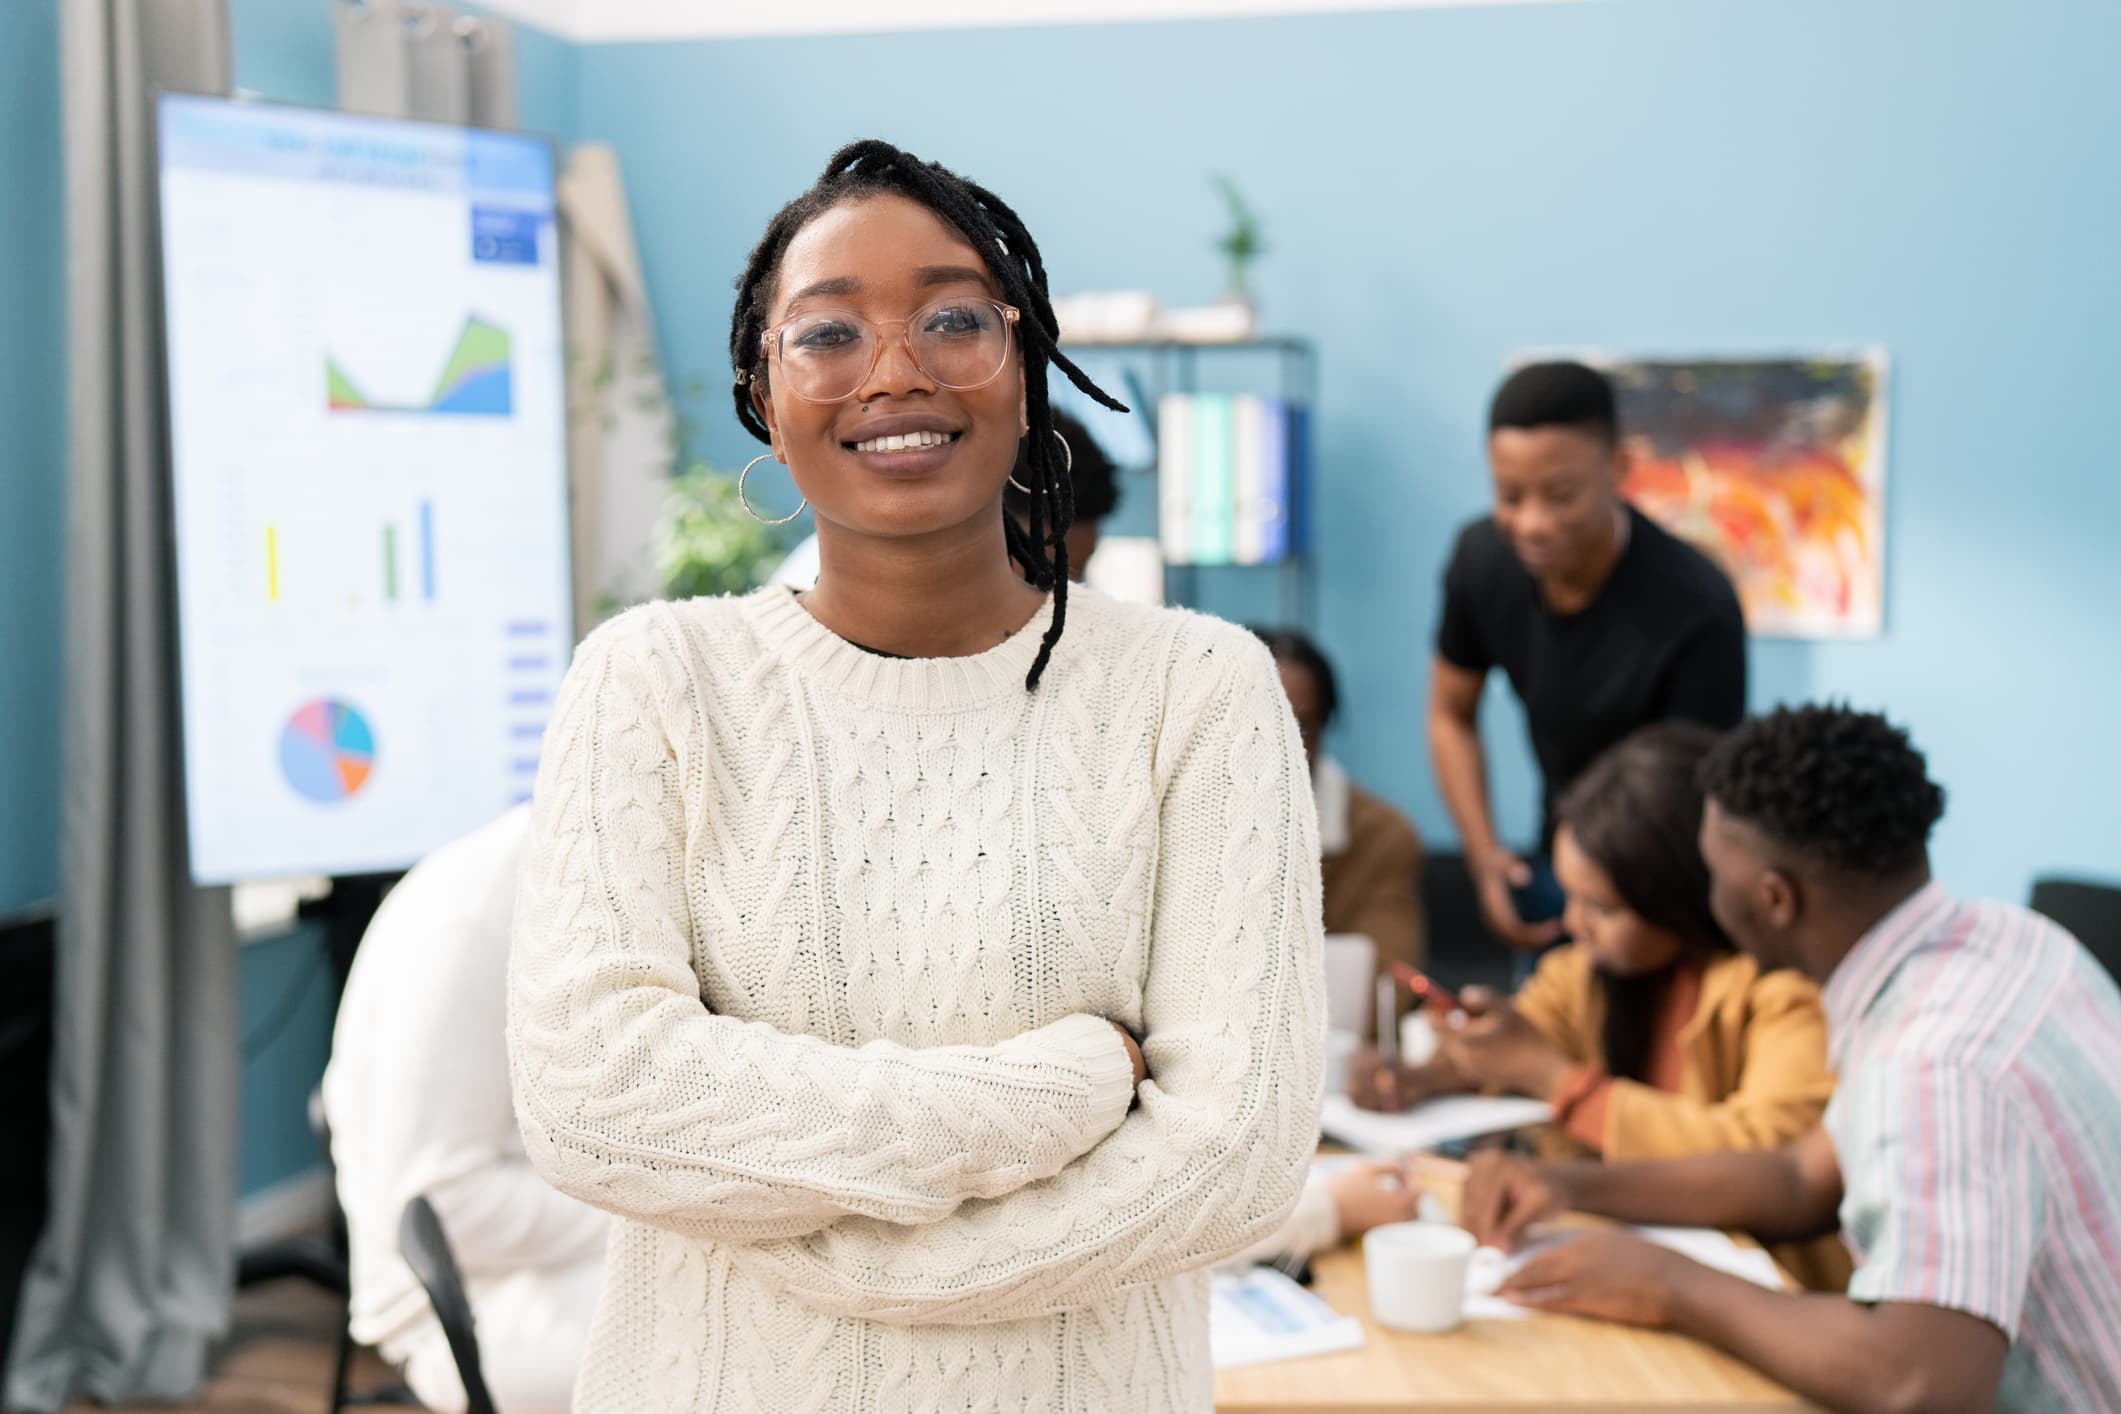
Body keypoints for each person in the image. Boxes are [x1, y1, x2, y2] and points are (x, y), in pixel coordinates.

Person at [508, 140, 1324, 1414]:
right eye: (828, 333)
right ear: (762, 395)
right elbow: (595, 1097)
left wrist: (861, 1263)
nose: (896, 369)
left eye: (954, 318)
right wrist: (1067, 1084)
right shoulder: (656, 679)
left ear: (1027, 367)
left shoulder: (1198, 688)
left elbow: (1238, 1157)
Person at [1460, 706, 2121, 1414]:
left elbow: (1920, 1383)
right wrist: (1563, 1186)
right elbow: (1799, 1174)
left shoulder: (1932, 1064)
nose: (1706, 897)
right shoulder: (2006, 941)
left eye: (1714, 873)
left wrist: (1665, 1283)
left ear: (1773, 898)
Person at [1347, 723, 1845, 1287]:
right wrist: (1423, 1075)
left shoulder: (1778, 992)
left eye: (1602, 908)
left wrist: (1554, 1079)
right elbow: (1512, 1046)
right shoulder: (1586, 974)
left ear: (1677, 894)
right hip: (1625, 1261)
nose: (1574, 923)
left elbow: (1773, 1160)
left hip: (1759, 1285)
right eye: (1570, 896)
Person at [1428, 361, 1746, 976]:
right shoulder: (1481, 562)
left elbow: (1693, 803)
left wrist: (1604, 914)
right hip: (1558, 864)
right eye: (1509, 495)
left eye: (1561, 495)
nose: (1532, 523)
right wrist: (1484, 854)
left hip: (1663, 887)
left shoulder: (1695, 606)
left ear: (1619, 468)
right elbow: (1449, 714)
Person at [323, 806, 608, 1414]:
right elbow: (447, 1204)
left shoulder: (577, 878)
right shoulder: (469, 927)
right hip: (458, 1303)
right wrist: (660, 1210)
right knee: (746, 1338)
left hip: (550, 1250)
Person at [771, 407, 1121, 589]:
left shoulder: (1075, 608)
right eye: (1038, 576)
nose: (1065, 590)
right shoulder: (818, 587)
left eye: (1077, 571)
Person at [1256, 627, 1425, 983]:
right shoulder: (1168, 825)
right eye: (1256, 728)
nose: (1279, 750)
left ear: (1325, 728)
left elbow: (1386, 988)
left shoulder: (1381, 837)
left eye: (1301, 731)